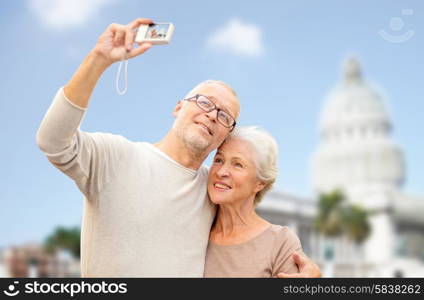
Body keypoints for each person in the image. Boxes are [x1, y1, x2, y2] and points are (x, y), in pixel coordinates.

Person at [36, 18, 320, 277]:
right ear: (178, 107)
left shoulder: (212, 191)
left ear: (224, 136)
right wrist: (98, 59)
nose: (212, 114)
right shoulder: (116, 156)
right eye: (205, 102)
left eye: (224, 116)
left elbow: (253, 236)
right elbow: (52, 140)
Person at [204, 127, 304, 277]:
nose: (221, 172)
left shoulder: (280, 242)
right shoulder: (197, 229)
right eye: (218, 160)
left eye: (237, 164)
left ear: (260, 183)